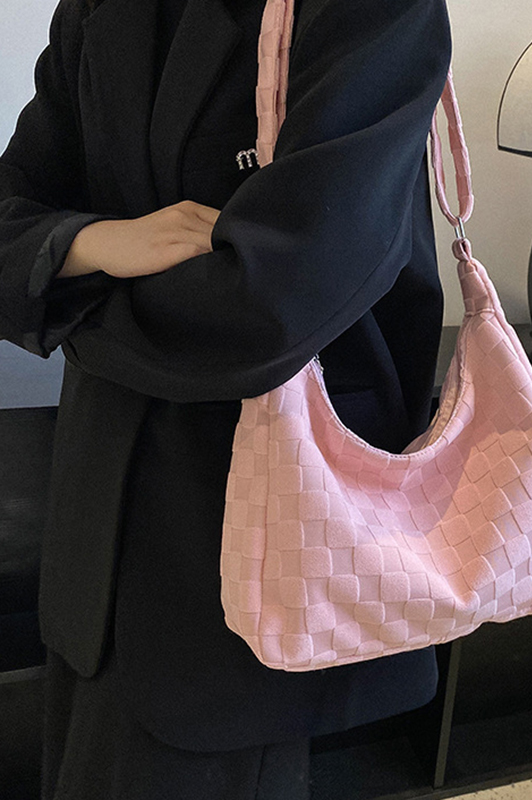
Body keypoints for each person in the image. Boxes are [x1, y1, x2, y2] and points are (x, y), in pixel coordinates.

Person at [0, 0, 451, 797]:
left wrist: (65, 292)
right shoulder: (97, 9)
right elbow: (12, 213)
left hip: (246, 549)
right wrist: (94, 242)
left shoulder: (369, 10)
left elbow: (274, 300)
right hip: (94, 523)